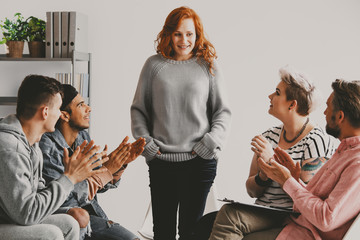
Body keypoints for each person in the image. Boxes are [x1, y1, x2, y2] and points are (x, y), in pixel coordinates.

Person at [130, 6, 231, 240]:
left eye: (189, 34)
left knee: (190, 232)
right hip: (162, 161)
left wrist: (211, 142)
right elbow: (138, 110)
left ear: (197, 35)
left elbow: (223, 112)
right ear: (168, 35)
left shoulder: (209, 65)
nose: (184, 40)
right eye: (177, 34)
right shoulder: (153, 66)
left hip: (199, 163)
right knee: (162, 232)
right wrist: (147, 145)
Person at [209, 66, 337, 240]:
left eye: (277, 93)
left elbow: (309, 198)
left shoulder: (315, 140)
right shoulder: (269, 136)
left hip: (290, 215)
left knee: (231, 215)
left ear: (292, 104)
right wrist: (263, 175)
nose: (270, 96)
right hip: (264, 210)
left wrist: (273, 164)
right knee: (211, 221)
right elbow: (252, 191)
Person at [249, 79, 360, 239]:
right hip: (293, 226)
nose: (324, 113)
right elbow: (315, 201)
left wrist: (287, 180)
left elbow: (326, 218)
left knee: (229, 224)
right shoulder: (344, 151)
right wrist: (294, 179)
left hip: (303, 234)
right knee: (213, 222)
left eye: (328, 107)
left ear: (340, 116)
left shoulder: (356, 163)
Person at [0, 75, 107, 240]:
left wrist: (69, 209)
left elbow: (37, 195)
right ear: (45, 112)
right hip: (8, 221)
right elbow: (26, 214)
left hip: (11, 217)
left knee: (69, 223)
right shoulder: (11, 149)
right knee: (51, 234)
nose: (59, 115)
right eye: (58, 109)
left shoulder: (33, 145)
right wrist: (69, 178)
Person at [39, 84, 145, 240]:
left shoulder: (82, 137)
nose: (89, 109)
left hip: (91, 215)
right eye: (81, 105)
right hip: (66, 218)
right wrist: (107, 170)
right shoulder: (46, 146)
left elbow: (95, 188)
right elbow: (66, 199)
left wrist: (118, 165)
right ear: (64, 115)